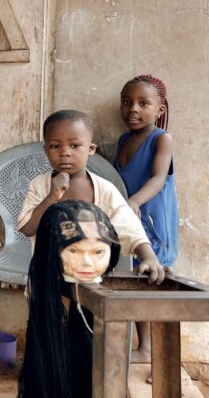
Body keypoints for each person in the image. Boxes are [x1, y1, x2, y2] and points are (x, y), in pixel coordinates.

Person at [17, 109, 166, 284]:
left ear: (91, 149)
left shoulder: (104, 190)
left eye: (74, 146)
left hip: (91, 279)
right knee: (49, 311)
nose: (65, 152)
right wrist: (51, 197)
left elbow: (129, 227)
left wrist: (149, 258)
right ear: (46, 150)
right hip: (47, 279)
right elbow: (27, 228)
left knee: (85, 311)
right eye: (55, 146)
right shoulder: (40, 186)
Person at [19, 200, 121, 398]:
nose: (87, 262)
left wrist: (149, 257)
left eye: (98, 252)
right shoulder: (47, 293)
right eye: (73, 251)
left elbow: (130, 226)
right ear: (52, 251)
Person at [114, 74, 178, 364]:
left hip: (151, 219)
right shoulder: (123, 140)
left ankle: (156, 352)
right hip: (130, 221)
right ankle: (146, 348)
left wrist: (134, 201)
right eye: (127, 102)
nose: (133, 109)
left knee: (153, 282)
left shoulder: (162, 139)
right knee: (137, 277)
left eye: (143, 103)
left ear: (159, 109)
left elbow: (158, 178)